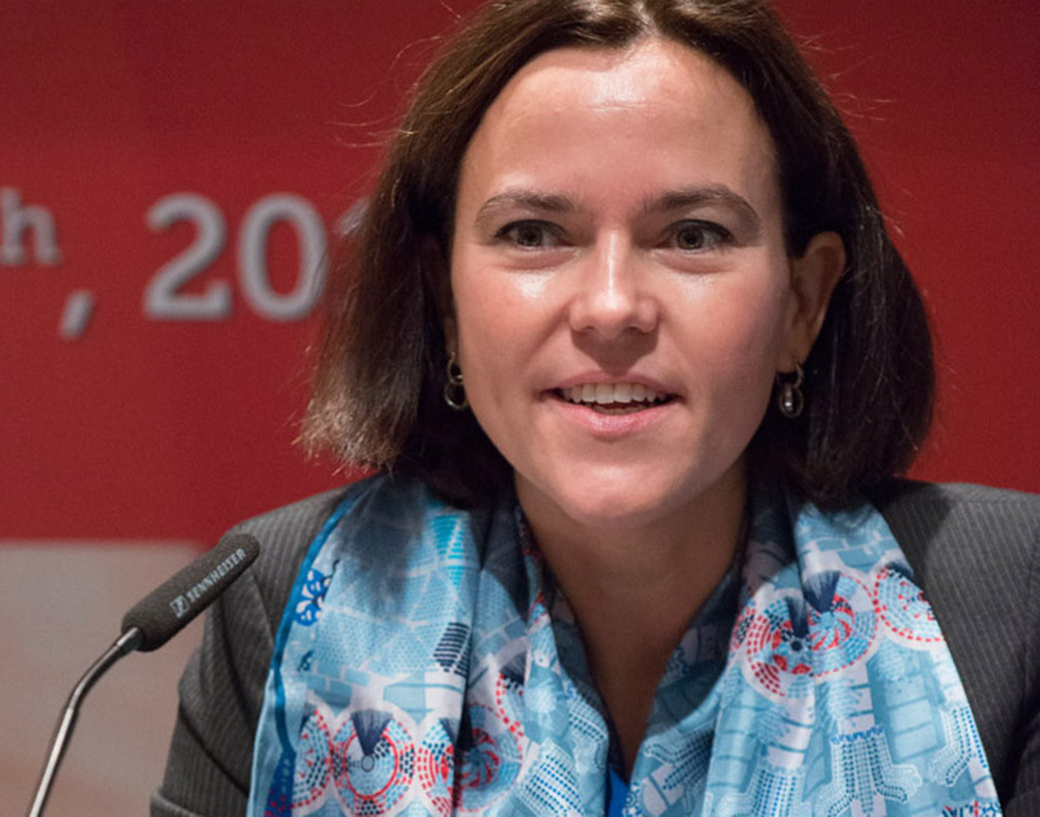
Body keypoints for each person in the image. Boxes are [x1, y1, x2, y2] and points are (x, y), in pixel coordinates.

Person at [153, 0, 1040, 814]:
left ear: (802, 304)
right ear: (444, 301)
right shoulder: (285, 602)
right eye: (533, 234)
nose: (611, 308)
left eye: (692, 235)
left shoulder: (1013, 603)